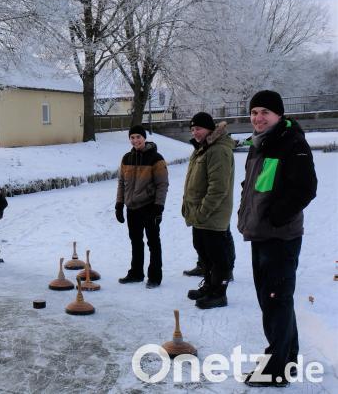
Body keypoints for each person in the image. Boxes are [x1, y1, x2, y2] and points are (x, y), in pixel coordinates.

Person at [237, 90, 317, 387]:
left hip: (279, 236)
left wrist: (275, 217)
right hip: (262, 233)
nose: (258, 118)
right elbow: (254, 185)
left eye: (265, 113)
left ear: (278, 115)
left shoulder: (291, 144)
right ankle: (287, 356)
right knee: (274, 300)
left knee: (275, 300)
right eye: (254, 112)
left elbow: (305, 188)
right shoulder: (261, 144)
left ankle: (277, 367)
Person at [181, 112, 234, 309]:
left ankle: (219, 294)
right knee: (204, 253)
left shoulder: (218, 150)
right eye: (193, 129)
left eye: (199, 128)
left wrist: (203, 212)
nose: (195, 132)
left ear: (210, 129)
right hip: (199, 215)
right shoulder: (202, 149)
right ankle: (210, 286)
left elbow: (218, 187)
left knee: (217, 257)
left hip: (212, 215)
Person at [115, 125, 168, 289]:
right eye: (132, 137)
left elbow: (162, 185)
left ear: (144, 138)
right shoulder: (126, 158)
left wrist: (158, 208)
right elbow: (121, 184)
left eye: (138, 137)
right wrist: (119, 204)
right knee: (136, 241)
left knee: (153, 242)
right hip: (132, 208)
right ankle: (136, 273)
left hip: (149, 207)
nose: (135, 140)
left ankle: (155, 276)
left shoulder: (156, 158)